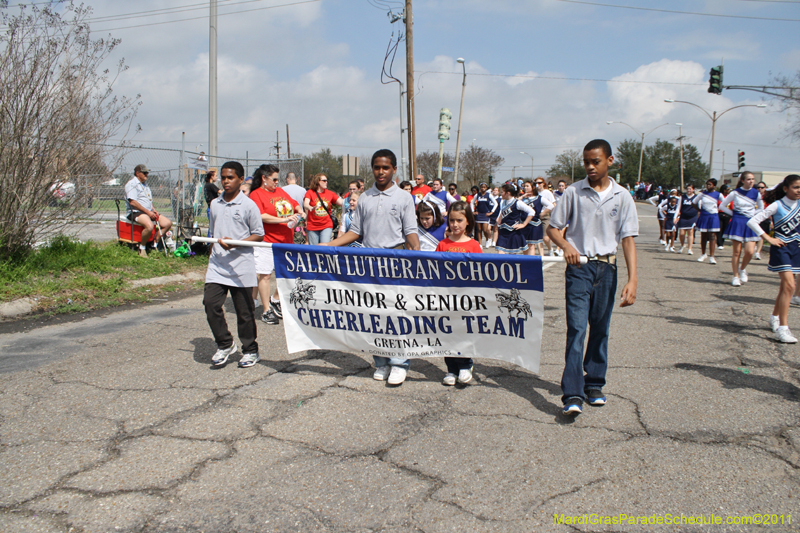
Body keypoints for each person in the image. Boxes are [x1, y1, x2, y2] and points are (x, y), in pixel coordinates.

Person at [546, 139, 638, 416]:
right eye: (586, 161)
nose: (590, 166)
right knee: (577, 329)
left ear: (610, 161)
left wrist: (633, 280)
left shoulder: (622, 196)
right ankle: (572, 393)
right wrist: (567, 247)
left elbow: (628, 239)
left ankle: (594, 383)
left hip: (607, 269)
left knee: (600, 328)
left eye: (595, 161)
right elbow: (553, 229)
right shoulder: (574, 192)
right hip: (580, 269)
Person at [324, 149, 420, 385]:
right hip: (369, 262)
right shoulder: (364, 197)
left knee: (396, 313)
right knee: (374, 313)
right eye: (377, 167)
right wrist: (328, 245)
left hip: (396, 259)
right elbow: (355, 232)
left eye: (385, 167)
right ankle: (381, 362)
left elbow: (410, 231)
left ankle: (399, 363)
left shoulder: (404, 198)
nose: (381, 172)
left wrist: (418, 257)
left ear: (394, 170)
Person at [204, 161, 265, 368]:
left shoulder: (248, 205)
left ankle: (250, 350)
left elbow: (258, 234)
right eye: (223, 177)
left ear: (240, 179)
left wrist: (235, 244)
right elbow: (214, 232)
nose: (226, 181)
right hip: (218, 265)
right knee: (210, 304)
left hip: (241, 266)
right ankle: (225, 344)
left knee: (244, 313)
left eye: (230, 177)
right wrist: (214, 253)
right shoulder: (214, 204)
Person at [747, 175, 800, 343]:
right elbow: (753, 221)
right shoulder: (777, 205)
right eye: (796, 187)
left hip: (796, 249)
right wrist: (769, 239)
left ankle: (775, 316)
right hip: (781, 249)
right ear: (786, 188)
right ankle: (783, 329)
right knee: (790, 285)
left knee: (786, 288)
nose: (799, 191)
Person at [248, 164, 302, 325]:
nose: (277, 182)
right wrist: (284, 219)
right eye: (274, 179)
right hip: (266, 241)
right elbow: (261, 215)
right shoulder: (256, 194)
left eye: (278, 179)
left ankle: (275, 299)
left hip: (285, 240)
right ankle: (266, 310)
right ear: (264, 178)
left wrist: (299, 211)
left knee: (288, 274)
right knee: (265, 275)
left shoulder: (280, 192)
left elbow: (293, 203)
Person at [436, 201, 482, 385]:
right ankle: (451, 369)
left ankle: (465, 365)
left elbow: (480, 272)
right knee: (447, 332)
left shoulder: (474, 245)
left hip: (466, 298)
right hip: (446, 297)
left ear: (468, 222)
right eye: (452, 220)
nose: (455, 224)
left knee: (464, 332)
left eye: (459, 220)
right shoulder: (442, 244)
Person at [719, 171, 764, 286]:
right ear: (743, 181)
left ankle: (742, 268)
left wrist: (753, 214)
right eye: (748, 179)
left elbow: (761, 207)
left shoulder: (756, 193)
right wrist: (733, 214)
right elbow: (722, 206)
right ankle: (735, 276)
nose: (751, 181)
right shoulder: (735, 193)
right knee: (736, 252)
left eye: (753, 179)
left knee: (749, 251)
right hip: (737, 222)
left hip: (750, 223)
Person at [125, 164, 174, 258]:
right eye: (144, 173)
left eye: (147, 172)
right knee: (149, 225)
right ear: (137, 173)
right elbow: (133, 202)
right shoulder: (132, 184)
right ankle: (142, 248)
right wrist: (148, 212)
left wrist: (153, 210)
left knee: (167, 223)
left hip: (148, 211)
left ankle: (155, 242)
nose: (146, 174)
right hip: (135, 211)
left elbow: (148, 200)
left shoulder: (145, 185)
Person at [494, 183, 534, 255]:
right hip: (503, 231)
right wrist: (499, 219)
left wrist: (524, 224)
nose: (501, 194)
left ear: (508, 193)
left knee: (512, 255)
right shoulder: (503, 201)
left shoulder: (517, 203)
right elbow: (502, 211)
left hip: (513, 232)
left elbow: (532, 212)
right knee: (500, 253)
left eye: (502, 192)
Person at [304, 173, 343, 245]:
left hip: (326, 225)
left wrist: (353, 201)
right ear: (318, 181)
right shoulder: (310, 192)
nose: (326, 182)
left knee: (324, 248)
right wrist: (310, 207)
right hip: (313, 226)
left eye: (327, 181)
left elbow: (341, 202)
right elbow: (305, 204)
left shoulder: (330, 193)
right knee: (314, 249)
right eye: (324, 180)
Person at [693, 179, 721, 264]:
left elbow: (725, 203)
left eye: (710, 184)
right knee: (704, 236)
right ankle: (703, 254)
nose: (708, 186)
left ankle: (712, 256)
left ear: (714, 186)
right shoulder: (702, 194)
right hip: (704, 216)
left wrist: (718, 209)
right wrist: (699, 210)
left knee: (712, 236)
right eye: (707, 184)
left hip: (713, 216)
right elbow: (693, 202)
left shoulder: (718, 194)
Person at [521, 180, 545, 256]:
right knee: (524, 246)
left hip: (534, 224)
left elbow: (551, 205)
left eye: (527, 186)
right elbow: (514, 204)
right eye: (524, 186)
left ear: (533, 187)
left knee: (531, 245)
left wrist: (543, 213)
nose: (525, 187)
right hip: (523, 224)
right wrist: (522, 196)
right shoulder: (522, 199)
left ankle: (531, 263)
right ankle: (525, 262)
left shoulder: (538, 198)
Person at [471, 182, 497, 248]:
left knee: (485, 229)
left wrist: (491, 212)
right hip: (479, 214)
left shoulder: (489, 195)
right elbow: (472, 202)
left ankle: (488, 239)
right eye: (482, 187)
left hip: (486, 214)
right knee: (479, 230)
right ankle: (480, 244)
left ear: (486, 188)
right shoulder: (477, 195)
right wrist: (473, 211)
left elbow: (496, 204)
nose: (483, 188)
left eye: (484, 187)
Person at [535, 177, 557, 255]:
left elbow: (554, 204)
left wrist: (545, 212)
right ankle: (541, 255)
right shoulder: (535, 193)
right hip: (536, 217)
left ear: (543, 183)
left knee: (545, 237)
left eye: (539, 183)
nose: (538, 185)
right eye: (536, 183)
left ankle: (550, 248)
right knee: (538, 238)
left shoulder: (547, 192)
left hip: (545, 216)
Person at [676, 184, 699, 255]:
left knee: (690, 232)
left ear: (693, 190)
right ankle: (682, 245)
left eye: (690, 189)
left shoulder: (696, 197)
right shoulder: (682, 197)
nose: (689, 190)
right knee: (681, 233)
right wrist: (676, 216)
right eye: (688, 189)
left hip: (692, 217)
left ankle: (690, 248)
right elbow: (678, 207)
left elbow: (699, 207)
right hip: (683, 217)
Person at [754, 181, 770, 261]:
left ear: (765, 188)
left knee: (761, 235)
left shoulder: (767, 198)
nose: (760, 189)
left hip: (764, 219)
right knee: (753, 235)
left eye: (762, 187)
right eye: (758, 187)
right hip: (754, 218)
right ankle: (753, 248)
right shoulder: (753, 197)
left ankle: (757, 252)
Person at [203, 170, 220, 237]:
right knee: (213, 226)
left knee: (212, 226)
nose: (216, 177)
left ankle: (209, 242)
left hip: (210, 208)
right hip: (212, 209)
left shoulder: (206, 185)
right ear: (212, 177)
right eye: (215, 176)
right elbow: (220, 191)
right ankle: (209, 242)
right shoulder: (211, 185)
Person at [717, 184, 732, 250]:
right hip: (720, 214)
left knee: (724, 229)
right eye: (727, 189)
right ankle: (719, 243)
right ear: (724, 190)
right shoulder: (719, 196)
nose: (728, 191)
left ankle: (722, 242)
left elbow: (732, 206)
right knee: (719, 229)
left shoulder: (730, 197)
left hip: (727, 215)